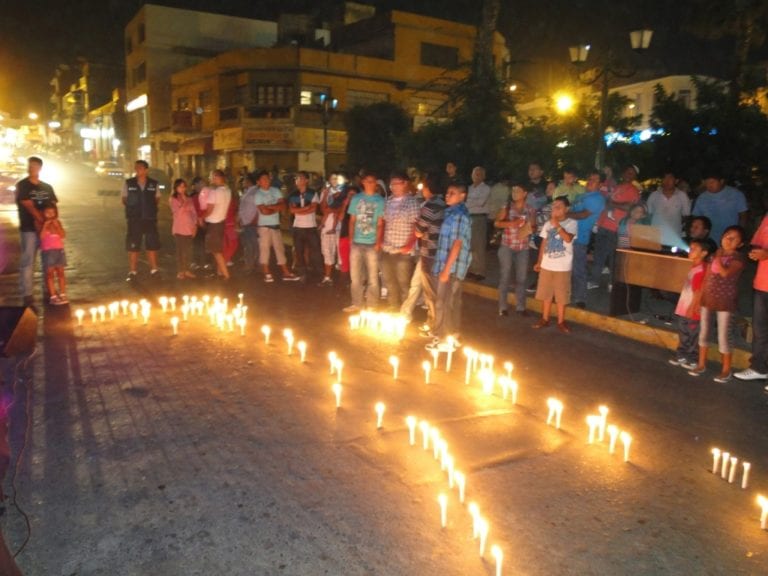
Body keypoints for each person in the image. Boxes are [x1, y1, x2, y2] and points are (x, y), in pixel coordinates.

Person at [688, 225, 746, 382]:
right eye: (727, 235)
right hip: (708, 298)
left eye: (733, 238)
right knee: (704, 332)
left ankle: (726, 370)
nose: (728, 239)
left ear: (740, 244)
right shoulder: (714, 256)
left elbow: (725, 273)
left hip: (725, 302)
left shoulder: (738, 259)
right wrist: (698, 299)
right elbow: (707, 277)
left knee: (723, 336)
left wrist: (719, 256)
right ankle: (701, 364)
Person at [426, 183, 472, 351]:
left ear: (462, 196)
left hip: (452, 266)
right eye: (447, 192)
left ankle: (446, 339)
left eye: (452, 193)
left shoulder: (459, 216)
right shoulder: (451, 213)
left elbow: (457, 243)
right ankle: (451, 334)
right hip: (447, 263)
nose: (447, 195)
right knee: (449, 302)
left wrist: (446, 269)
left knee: (445, 302)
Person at [402, 173, 445, 330]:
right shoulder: (443, 203)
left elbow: (419, 231)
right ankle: (406, 311)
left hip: (430, 251)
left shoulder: (430, 205)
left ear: (428, 188)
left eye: (424, 187)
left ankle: (434, 324)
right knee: (418, 283)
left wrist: (417, 224)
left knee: (430, 290)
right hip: (439, 251)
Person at [590, 165, 641, 289]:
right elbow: (606, 202)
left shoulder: (633, 190)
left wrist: (613, 203)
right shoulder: (616, 187)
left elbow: (630, 208)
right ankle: (594, 281)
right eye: (627, 172)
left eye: (632, 173)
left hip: (617, 228)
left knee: (614, 258)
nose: (628, 174)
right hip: (603, 225)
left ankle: (613, 283)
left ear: (634, 177)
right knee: (599, 255)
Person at [15, 156, 57, 305]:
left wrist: (53, 224)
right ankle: (27, 293)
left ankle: (49, 289)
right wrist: (41, 220)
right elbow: (28, 205)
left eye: (34, 166)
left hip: (47, 232)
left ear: (39, 168)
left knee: (48, 261)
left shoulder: (47, 187)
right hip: (29, 230)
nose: (31, 168)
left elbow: (53, 205)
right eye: (29, 166)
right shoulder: (23, 185)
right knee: (28, 261)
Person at [532, 196, 577, 333]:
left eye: (559, 206)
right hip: (547, 264)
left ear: (566, 208)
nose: (555, 209)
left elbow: (568, 238)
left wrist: (556, 224)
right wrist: (539, 261)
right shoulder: (547, 224)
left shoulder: (572, 223)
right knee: (546, 293)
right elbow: (544, 244)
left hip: (562, 266)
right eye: (554, 206)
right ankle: (544, 318)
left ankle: (561, 321)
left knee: (561, 295)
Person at [668, 238, 714, 369]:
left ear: (704, 253)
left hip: (693, 306)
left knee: (693, 333)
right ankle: (681, 354)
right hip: (684, 304)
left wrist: (694, 306)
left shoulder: (702, 269)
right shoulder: (689, 265)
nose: (690, 251)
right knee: (683, 330)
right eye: (691, 248)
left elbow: (699, 290)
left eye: (694, 249)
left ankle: (692, 358)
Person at [344, 172, 385, 312]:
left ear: (376, 184)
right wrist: (351, 239)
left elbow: (380, 223)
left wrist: (378, 242)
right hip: (356, 241)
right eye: (367, 181)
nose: (369, 183)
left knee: (373, 276)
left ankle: (372, 305)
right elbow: (352, 221)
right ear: (363, 183)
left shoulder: (380, 200)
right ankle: (357, 303)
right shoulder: (356, 198)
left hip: (372, 242)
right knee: (355, 276)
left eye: (372, 181)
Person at [380, 171, 421, 310]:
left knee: (403, 282)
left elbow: (417, 226)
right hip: (387, 247)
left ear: (405, 184)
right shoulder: (389, 201)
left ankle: (405, 310)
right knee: (389, 280)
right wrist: (380, 241)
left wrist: (408, 245)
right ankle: (393, 306)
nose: (393, 187)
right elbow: (383, 222)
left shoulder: (412, 202)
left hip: (403, 250)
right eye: (391, 184)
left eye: (396, 184)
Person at [735, 214, 768, 384]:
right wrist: (755, 251)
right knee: (760, 330)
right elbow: (758, 241)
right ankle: (759, 368)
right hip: (763, 282)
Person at [495, 182, 536, 317]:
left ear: (525, 194)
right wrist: (511, 223)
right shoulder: (506, 207)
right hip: (507, 245)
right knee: (505, 275)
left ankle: (520, 307)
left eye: (518, 191)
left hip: (523, 247)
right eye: (513, 191)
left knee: (522, 278)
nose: (514, 193)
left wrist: (529, 227)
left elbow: (534, 226)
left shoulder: (530, 209)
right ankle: (502, 306)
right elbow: (497, 223)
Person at [253, 170, 300, 283]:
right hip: (264, 226)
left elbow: (283, 206)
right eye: (263, 179)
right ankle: (267, 272)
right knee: (264, 250)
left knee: (280, 249)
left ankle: (286, 272)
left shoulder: (275, 190)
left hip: (275, 225)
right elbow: (263, 211)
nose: (266, 181)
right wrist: (276, 208)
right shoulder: (258, 194)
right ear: (258, 182)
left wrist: (270, 207)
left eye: (267, 178)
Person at [568, 170, 606, 308]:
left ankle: (580, 298)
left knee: (579, 269)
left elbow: (584, 215)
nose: (590, 181)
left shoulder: (597, 198)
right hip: (567, 235)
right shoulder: (581, 195)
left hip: (580, 237)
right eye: (589, 178)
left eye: (594, 180)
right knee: (564, 268)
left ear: (601, 185)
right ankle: (565, 294)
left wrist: (565, 214)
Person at [123, 160, 160, 282]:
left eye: (140, 168)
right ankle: (133, 271)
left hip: (150, 219)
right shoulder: (129, 183)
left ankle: (154, 269)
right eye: (136, 168)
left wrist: (148, 209)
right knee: (133, 246)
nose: (137, 170)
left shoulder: (153, 184)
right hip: (134, 220)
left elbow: (157, 199)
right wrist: (133, 208)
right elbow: (124, 199)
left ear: (146, 170)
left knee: (152, 244)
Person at [692, 170, 748, 243]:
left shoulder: (736, 194)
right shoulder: (702, 198)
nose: (709, 185)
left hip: (730, 238)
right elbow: (697, 218)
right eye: (707, 183)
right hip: (709, 239)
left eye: (712, 182)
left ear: (721, 181)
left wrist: (740, 234)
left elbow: (743, 216)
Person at [199, 169, 232, 280]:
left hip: (214, 224)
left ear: (217, 177)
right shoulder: (227, 190)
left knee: (216, 251)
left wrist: (201, 217)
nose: (211, 179)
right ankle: (219, 272)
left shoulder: (215, 192)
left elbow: (209, 210)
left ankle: (226, 275)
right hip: (221, 222)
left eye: (212, 177)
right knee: (217, 249)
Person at [288, 171, 321, 279]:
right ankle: (303, 272)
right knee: (299, 251)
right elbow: (292, 210)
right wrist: (306, 208)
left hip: (310, 226)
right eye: (297, 178)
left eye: (300, 178)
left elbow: (313, 209)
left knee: (315, 250)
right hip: (298, 227)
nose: (298, 180)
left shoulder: (313, 193)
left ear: (306, 180)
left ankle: (318, 272)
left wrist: (300, 210)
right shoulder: (293, 194)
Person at [318, 173, 348, 286]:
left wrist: (334, 210)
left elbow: (343, 208)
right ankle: (327, 277)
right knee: (327, 253)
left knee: (341, 254)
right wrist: (326, 195)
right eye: (332, 178)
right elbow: (323, 209)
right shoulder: (325, 192)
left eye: (337, 178)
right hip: (327, 227)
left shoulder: (343, 192)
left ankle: (342, 280)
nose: (334, 180)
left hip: (340, 228)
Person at [647, 171, 691, 247]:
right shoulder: (654, 195)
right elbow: (648, 214)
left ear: (676, 181)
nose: (667, 181)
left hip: (674, 237)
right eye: (664, 178)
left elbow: (686, 216)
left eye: (670, 178)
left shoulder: (682, 196)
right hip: (655, 237)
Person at [169, 178, 198, 279]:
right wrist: (184, 202)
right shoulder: (173, 199)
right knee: (180, 251)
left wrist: (194, 226)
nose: (182, 189)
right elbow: (177, 213)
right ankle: (180, 271)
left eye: (184, 186)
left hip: (188, 228)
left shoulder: (189, 199)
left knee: (188, 251)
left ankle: (187, 270)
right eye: (180, 187)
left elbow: (194, 213)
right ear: (176, 188)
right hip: (179, 228)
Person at [39, 203, 68, 305]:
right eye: (48, 213)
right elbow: (41, 237)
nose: (50, 215)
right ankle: (53, 296)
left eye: (53, 212)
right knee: (50, 274)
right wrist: (45, 226)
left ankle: (63, 294)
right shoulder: (40, 223)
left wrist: (57, 226)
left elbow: (63, 235)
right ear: (43, 214)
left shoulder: (57, 222)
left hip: (59, 250)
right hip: (48, 252)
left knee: (61, 273)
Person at [466, 166, 491, 280]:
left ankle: (480, 271)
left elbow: (480, 203)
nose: (476, 176)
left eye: (479, 174)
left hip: (479, 218)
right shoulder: (470, 188)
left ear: (484, 176)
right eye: (475, 173)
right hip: (469, 217)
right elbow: (467, 202)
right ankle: (471, 269)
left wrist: (469, 202)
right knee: (470, 245)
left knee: (479, 245)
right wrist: (472, 202)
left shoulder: (486, 188)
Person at [238, 173, 260, 273]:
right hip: (246, 222)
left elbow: (258, 208)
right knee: (249, 244)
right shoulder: (247, 192)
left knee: (251, 245)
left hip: (251, 222)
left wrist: (255, 220)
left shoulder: (254, 192)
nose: (242, 182)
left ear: (249, 181)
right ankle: (252, 264)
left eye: (244, 180)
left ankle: (251, 265)